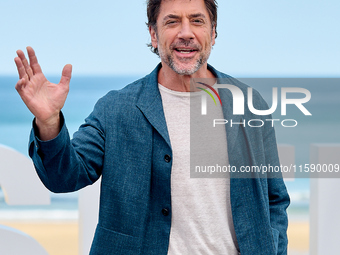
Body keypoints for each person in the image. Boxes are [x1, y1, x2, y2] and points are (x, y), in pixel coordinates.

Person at [14, 0, 290, 254]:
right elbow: (64, 177)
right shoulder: (116, 108)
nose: (186, 33)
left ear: (213, 32)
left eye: (197, 21)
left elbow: (274, 199)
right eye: (172, 22)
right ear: (154, 35)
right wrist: (49, 122)